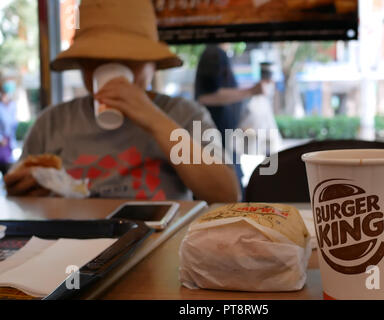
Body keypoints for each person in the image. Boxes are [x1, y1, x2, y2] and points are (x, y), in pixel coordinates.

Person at [4, 0, 240, 203]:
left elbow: (226, 195)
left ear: (153, 64)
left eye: (130, 59)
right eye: (94, 59)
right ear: (81, 65)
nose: (111, 70)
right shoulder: (53, 122)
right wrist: (24, 188)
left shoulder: (184, 114)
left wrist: (155, 120)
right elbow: (17, 198)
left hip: (158, 245)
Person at [194, 44, 266, 193]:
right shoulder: (214, 53)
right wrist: (251, 91)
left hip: (223, 143)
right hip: (216, 144)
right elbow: (206, 97)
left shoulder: (219, 54)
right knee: (232, 194)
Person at [0, 76, 18, 176]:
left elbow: (12, 125)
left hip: (9, 144)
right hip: (1, 143)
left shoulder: (12, 105)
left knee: (9, 171)